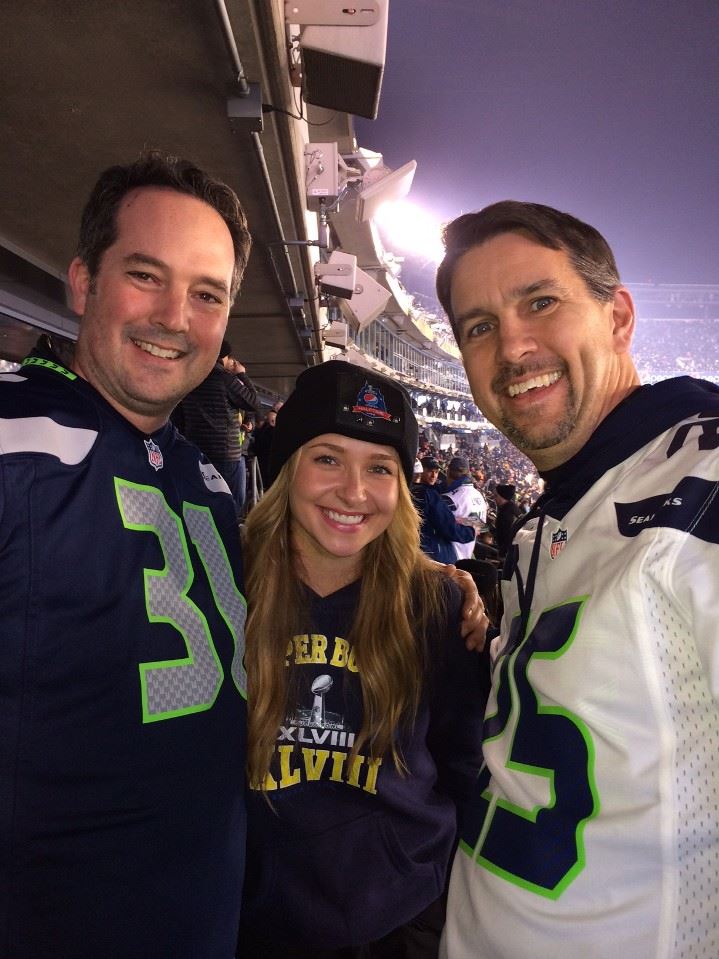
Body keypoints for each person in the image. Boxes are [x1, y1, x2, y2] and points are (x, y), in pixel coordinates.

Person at [435, 199, 719, 958]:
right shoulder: (553, 519)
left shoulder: (702, 478)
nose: (511, 347)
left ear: (617, 317)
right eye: (478, 327)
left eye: (540, 302)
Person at [0, 151, 251, 958]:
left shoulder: (202, 477)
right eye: (146, 275)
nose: (175, 316)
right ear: (83, 283)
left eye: (207, 294)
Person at [237, 361, 486, 958]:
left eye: (380, 468)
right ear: (287, 469)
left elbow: (465, 764)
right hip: (244, 915)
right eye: (327, 458)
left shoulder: (438, 605)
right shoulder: (223, 577)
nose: (354, 492)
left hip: (396, 918)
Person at [174, 338, 259, 518]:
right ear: (224, 357)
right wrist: (242, 375)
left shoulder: (191, 378)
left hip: (197, 451)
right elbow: (253, 402)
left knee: (202, 502)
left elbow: (179, 415)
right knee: (230, 504)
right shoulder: (225, 379)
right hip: (226, 453)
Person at [413, 456, 475, 563]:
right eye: (430, 471)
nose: (433, 475)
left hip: (427, 550)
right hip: (435, 555)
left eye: (436, 472)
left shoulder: (436, 491)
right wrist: (472, 530)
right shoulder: (433, 495)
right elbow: (449, 525)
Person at [443, 456, 488, 560]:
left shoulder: (449, 498)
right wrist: (465, 521)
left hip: (448, 557)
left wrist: (458, 520)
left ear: (448, 471)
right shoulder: (479, 495)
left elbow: (442, 527)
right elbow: (481, 526)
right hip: (466, 556)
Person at [492, 482, 521, 561]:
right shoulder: (511, 507)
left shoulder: (506, 513)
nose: (494, 498)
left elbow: (509, 535)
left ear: (502, 497)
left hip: (507, 553)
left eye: (496, 496)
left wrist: (502, 553)